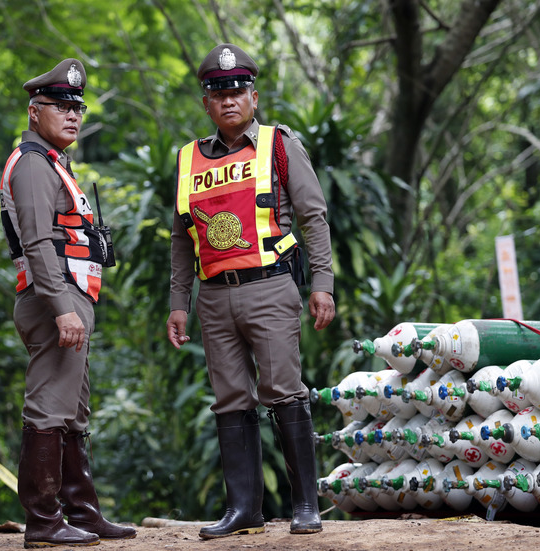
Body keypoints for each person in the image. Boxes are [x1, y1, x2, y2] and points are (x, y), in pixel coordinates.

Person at [166, 43, 336, 540]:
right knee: (230, 400)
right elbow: (181, 237)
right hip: (214, 297)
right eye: (218, 94)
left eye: (237, 91)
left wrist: (321, 283)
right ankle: (245, 510)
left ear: (254, 97)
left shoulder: (279, 146)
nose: (229, 101)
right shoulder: (188, 159)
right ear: (207, 104)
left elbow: (313, 217)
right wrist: (180, 302)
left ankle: (307, 505)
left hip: (270, 288)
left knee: (284, 391)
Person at [0, 58, 135, 548]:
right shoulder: (35, 164)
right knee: (49, 409)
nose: (73, 114)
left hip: (70, 299)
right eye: (60, 106)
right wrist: (62, 307)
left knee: (73, 412)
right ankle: (43, 520)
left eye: (77, 106)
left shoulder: (56, 163)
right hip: (52, 301)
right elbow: (37, 243)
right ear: (35, 112)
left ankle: (81, 511)